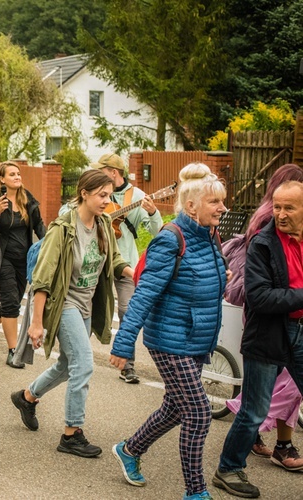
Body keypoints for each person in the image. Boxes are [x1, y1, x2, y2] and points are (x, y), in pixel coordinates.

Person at [110, 163, 228, 500]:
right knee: (199, 411)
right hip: (169, 340)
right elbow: (144, 294)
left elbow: (207, 275)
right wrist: (123, 343)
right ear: (191, 206)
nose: (223, 208)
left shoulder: (210, 235)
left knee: (176, 407)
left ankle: (130, 450)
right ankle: (196, 491)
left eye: (222, 201)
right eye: (215, 202)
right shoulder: (170, 239)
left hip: (194, 338)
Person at [10, 169, 131, 459]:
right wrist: (36, 323)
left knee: (67, 364)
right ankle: (71, 433)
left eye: (109, 195)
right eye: (101, 195)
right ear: (84, 193)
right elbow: (42, 278)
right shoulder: (62, 229)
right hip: (64, 304)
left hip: (86, 305)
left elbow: (113, 260)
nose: (106, 200)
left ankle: (27, 397)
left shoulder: (103, 224)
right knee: (84, 364)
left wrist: (136, 272)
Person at [214, 180, 303, 498]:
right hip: (267, 333)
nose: (280, 214)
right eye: (277, 206)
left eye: (289, 208)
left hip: (300, 331)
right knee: (254, 409)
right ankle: (228, 468)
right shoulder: (263, 244)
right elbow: (260, 297)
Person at [92, 153, 161, 383]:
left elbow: (156, 231)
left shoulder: (138, 196)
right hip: (96, 261)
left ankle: (127, 365)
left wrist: (152, 212)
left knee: (126, 310)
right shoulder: (96, 190)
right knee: (85, 307)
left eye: (101, 170)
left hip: (125, 262)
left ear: (113, 172)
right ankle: (77, 358)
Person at [0, 161, 45, 366]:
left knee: (12, 302)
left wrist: (47, 244)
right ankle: (13, 351)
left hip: (24, 260)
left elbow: (38, 224)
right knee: (11, 303)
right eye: (12, 174)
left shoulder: (27, 199)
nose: (17, 177)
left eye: (18, 174)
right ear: (2, 179)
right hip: (3, 259)